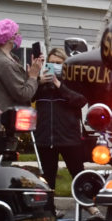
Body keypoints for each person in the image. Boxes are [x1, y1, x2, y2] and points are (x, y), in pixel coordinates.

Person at [33, 48, 84, 191]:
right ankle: (50, 211)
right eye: (51, 62)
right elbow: (27, 97)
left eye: (58, 63)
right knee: (47, 180)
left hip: (69, 138)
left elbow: (80, 100)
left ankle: (90, 206)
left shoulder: (72, 81)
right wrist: (38, 81)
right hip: (45, 140)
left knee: (79, 175)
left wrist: (59, 84)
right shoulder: (41, 85)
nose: (54, 65)